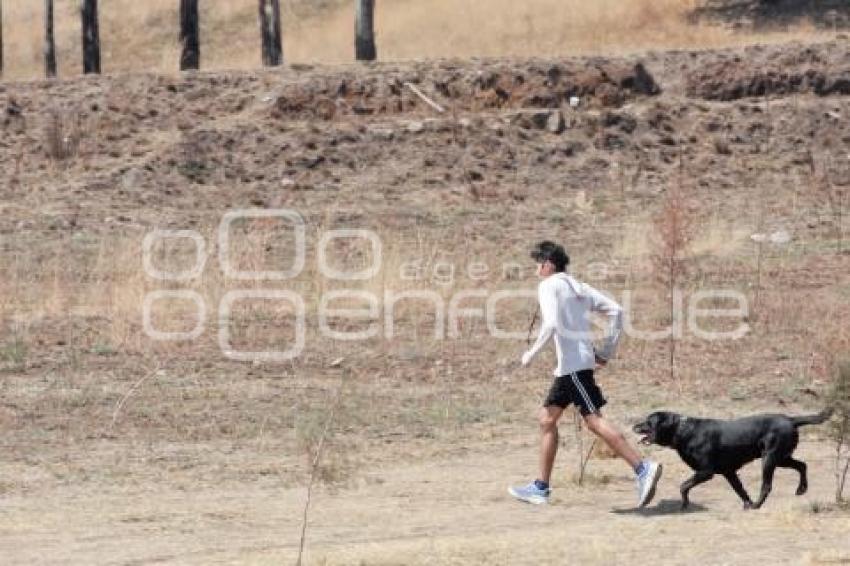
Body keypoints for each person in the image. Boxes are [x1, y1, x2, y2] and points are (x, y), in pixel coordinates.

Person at [508, 240, 662, 507]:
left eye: (538, 265)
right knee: (546, 419)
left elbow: (552, 323)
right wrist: (605, 352)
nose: (536, 270)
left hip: (573, 368)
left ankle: (642, 468)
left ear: (547, 265)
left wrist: (530, 354)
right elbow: (616, 311)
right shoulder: (580, 287)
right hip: (572, 367)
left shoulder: (548, 285)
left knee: (594, 421)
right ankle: (540, 488)